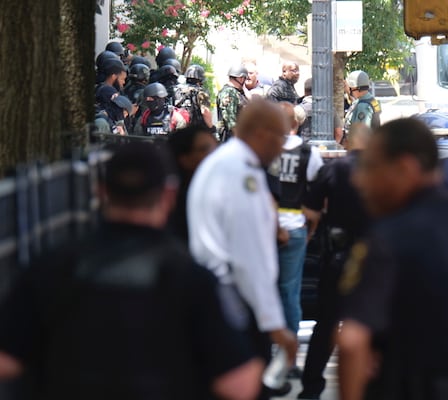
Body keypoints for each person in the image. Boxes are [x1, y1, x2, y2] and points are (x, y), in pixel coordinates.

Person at [0, 142, 263, 400]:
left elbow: (7, 361)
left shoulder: (51, 267)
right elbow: (238, 384)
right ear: (169, 195)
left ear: (101, 192)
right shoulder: (193, 278)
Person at [336, 118, 448, 400]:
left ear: (405, 167)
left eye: (371, 168)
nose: (360, 180)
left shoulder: (389, 237)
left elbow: (352, 340)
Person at [187, 98, 298, 399]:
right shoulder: (239, 173)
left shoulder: (230, 165)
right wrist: (274, 323)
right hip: (234, 304)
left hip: (225, 300)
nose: (282, 147)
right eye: (281, 137)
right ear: (262, 133)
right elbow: (249, 257)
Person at [297, 123, 372, 400]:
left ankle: (311, 388)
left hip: (339, 257)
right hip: (376, 260)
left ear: (348, 143)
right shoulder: (383, 169)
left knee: (327, 323)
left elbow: (310, 211)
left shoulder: (334, 170)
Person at [276, 102, 323, 344]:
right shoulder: (308, 153)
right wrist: (311, 226)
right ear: (296, 123)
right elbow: (319, 191)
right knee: (290, 291)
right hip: (294, 226)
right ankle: (288, 355)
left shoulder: (264, 150)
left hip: (263, 229)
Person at [168, 125, 218, 244]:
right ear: (184, 158)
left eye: (216, 148)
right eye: (205, 149)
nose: (215, 154)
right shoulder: (174, 205)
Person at [297, 78, 343, 143]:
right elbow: (339, 133)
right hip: (324, 149)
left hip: (305, 150)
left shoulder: (299, 109)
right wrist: (333, 147)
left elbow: (291, 133)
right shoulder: (331, 109)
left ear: (305, 91)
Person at [342, 70, 381, 144]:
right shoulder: (371, 100)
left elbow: (360, 134)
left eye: (350, 88)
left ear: (355, 88)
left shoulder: (363, 106)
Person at [175, 64, 215, 134]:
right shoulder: (201, 92)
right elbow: (205, 111)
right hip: (195, 131)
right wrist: (211, 127)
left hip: (178, 130)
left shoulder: (177, 90)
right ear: (200, 80)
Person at [216, 65, 248, 142]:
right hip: (230, 138)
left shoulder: (237, 92)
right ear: (240, 78)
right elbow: (230, 121)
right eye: (244, 78)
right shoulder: (229, 92)